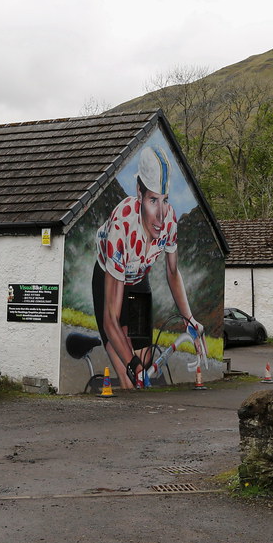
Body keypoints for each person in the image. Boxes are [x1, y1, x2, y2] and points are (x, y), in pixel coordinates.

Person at [92, 146, 204, 388]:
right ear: (139, 193)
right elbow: (111, 319)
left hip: (139, 279)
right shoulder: (122, 226)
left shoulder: (169, 220)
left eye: (165, 200)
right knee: (129, 372)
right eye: (153, 200)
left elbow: (173, 272)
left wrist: (190, 319)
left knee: (146, 362)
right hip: (109, 277)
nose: (161, 215)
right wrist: (134, 366)